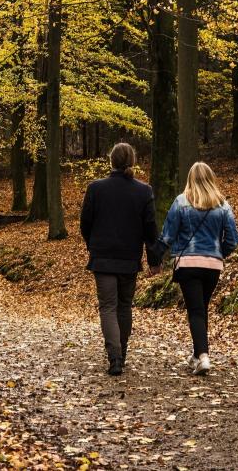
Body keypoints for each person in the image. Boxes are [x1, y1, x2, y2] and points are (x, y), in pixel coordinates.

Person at [80, 143, 160, 376]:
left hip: (103, 258)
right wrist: (154, 259)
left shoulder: (96, 188)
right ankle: (121, 353)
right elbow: (150, 229)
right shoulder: (143, 191)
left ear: (111, 161)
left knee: (108, 307)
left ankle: (114, 356)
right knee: (124, 306)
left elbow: (85, 223)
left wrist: (93, 245)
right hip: (128, 258)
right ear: (132, 162)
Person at [154, 162, 238, 376]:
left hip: (188, 264)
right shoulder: (222, 205)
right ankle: (197, 355)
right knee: (201, 308)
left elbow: (167, 236)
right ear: (211, 178)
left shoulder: (181, 202)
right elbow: (233, 240)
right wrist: (220, 253)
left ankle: (203, 356)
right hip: (212, 266)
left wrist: (154, 257)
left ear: (190, 178)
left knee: (196, 310)